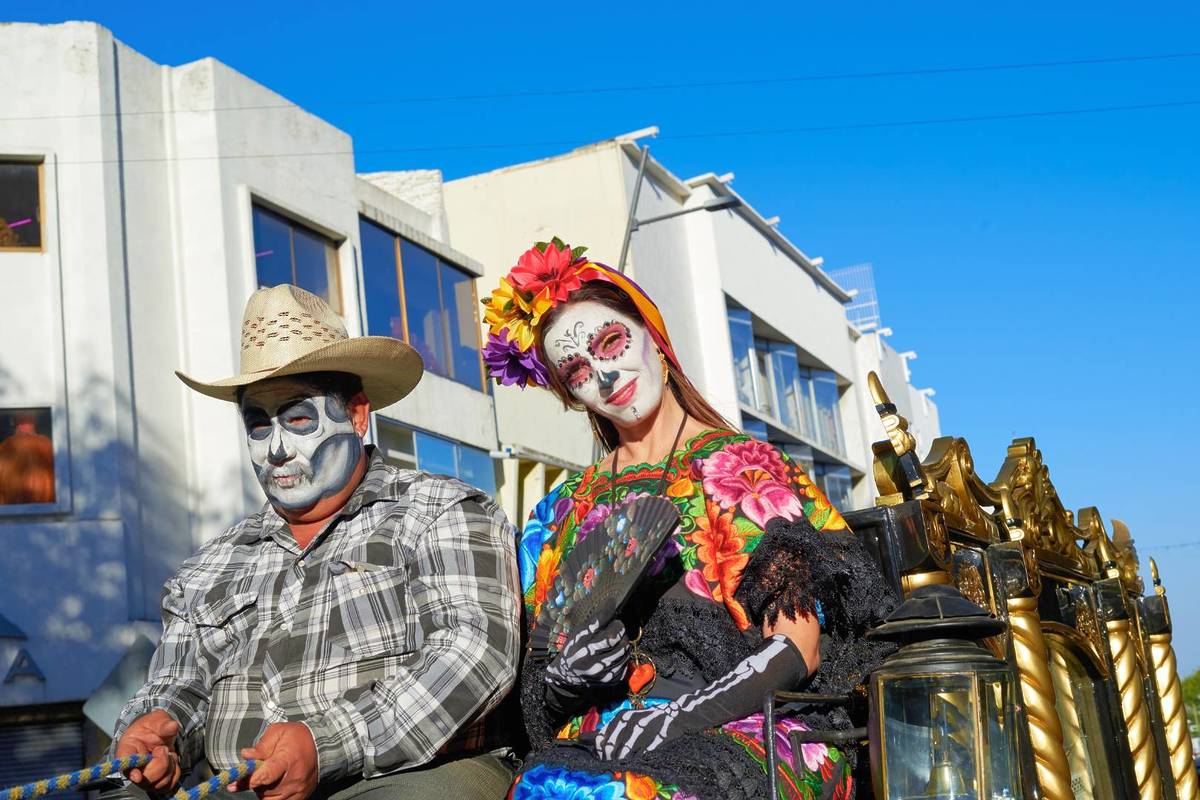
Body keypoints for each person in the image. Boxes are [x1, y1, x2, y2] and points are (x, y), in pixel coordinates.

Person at [481, 240, 895, 800]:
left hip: (751, 727)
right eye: (577, 370)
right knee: (545, 788)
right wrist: (568, 676)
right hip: (600, 742)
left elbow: (799, 647)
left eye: (610, 341)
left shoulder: (744, 468)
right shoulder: (558, 512)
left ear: (652, 329)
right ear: (569, 394)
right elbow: (539, 685)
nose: (605, 375)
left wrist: (670, 722)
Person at [111, 284, 520, 800]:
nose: (276, 449)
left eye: (298, 418)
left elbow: (473, 653)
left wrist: (326, 745)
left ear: (356, 415)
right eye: (258, 425)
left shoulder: (441, 513)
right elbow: (178, 683)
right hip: (242, 787)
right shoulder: (206, 568)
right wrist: (156, 726)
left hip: (411, 776)